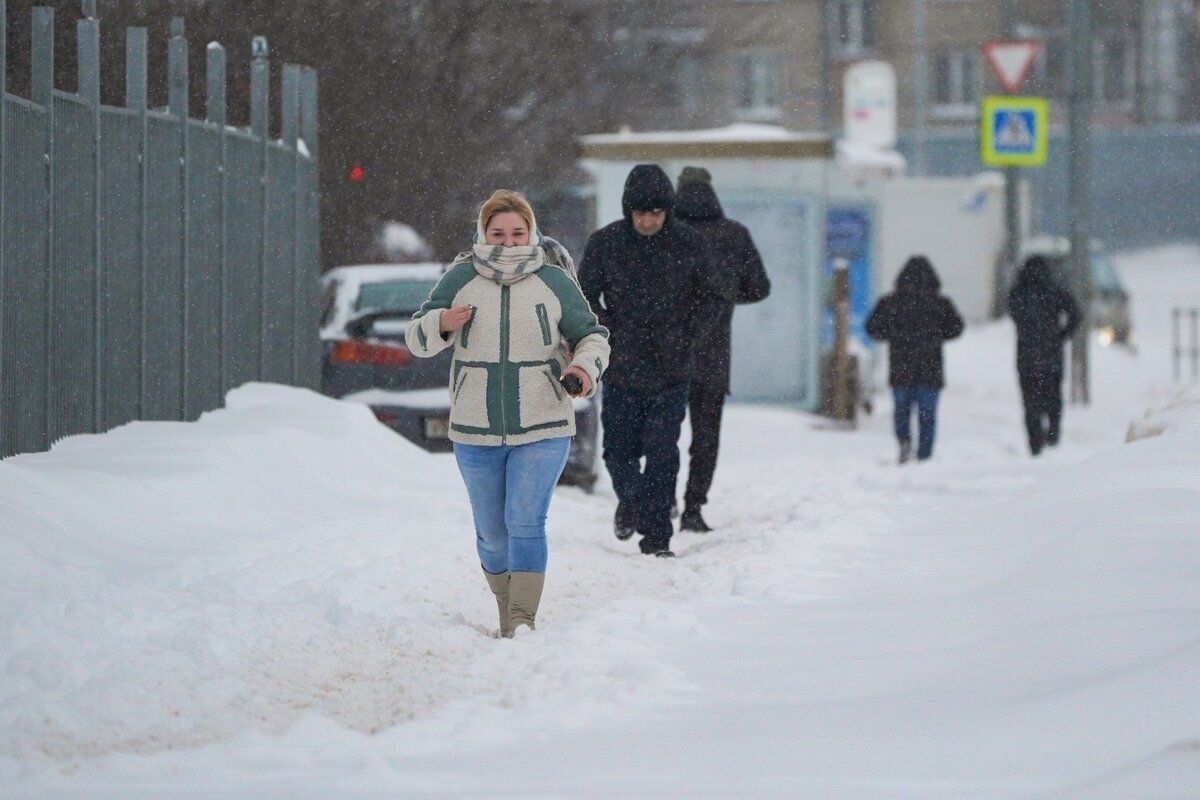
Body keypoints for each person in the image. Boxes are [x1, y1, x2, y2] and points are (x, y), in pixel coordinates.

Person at [406, 190, 610, 637]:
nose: (508, 241)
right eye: (498, 233)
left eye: (518, 233)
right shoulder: (461, 276)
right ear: (483, 233)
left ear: (531, 234)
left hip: (543, 421)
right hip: (475, 428)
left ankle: (522, 619)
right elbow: (417, 338)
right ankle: (506, 606)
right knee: (493, 535)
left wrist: (582, 368)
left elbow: (593, 336)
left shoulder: (554, 280)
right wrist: (440, 324)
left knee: (525, 521)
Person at [578, 164, 728, 558]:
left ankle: (657, 538)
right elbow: (583, 297)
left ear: (668, 211)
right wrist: (608, 330)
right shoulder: (606, 243)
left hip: (672, 368)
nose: (648, 221)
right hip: (622, 366)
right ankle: (632, 500)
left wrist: (689, 334)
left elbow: (713, 296)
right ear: (629, 211)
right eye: (640, 213)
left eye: (656, 213)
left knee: (663, 449)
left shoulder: (690, 244)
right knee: (618, 452)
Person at [672, 167, 771, 532]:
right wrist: (726, 297)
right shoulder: (734, 235)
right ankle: (693, 508)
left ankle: (662, 498)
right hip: (713, 355)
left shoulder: (665, 235)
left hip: (666, 354)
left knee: (663, 431)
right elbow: (760, 287)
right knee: (706, 436)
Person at [865, 255, 964, 463]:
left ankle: (904, 442)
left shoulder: (891, 303)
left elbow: (872, 328)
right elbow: (956, 328)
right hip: (930, 368)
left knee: (902, 411)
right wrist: (936, 335)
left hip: (901, 368)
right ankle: (925, 453)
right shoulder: (939, 303)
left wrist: (894, 334)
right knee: (927, 415)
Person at [1007, 254, 1081, 456]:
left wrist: (1026, 330)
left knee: (1030, 400)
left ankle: (1035, 440)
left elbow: (1013, 313)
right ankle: (1053, 431)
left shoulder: (1019, 292)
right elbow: (1076, 313)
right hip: (1052, 352)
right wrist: (1062, 335)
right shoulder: (1055, 289)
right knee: (1053, 394)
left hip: (1026, 355)